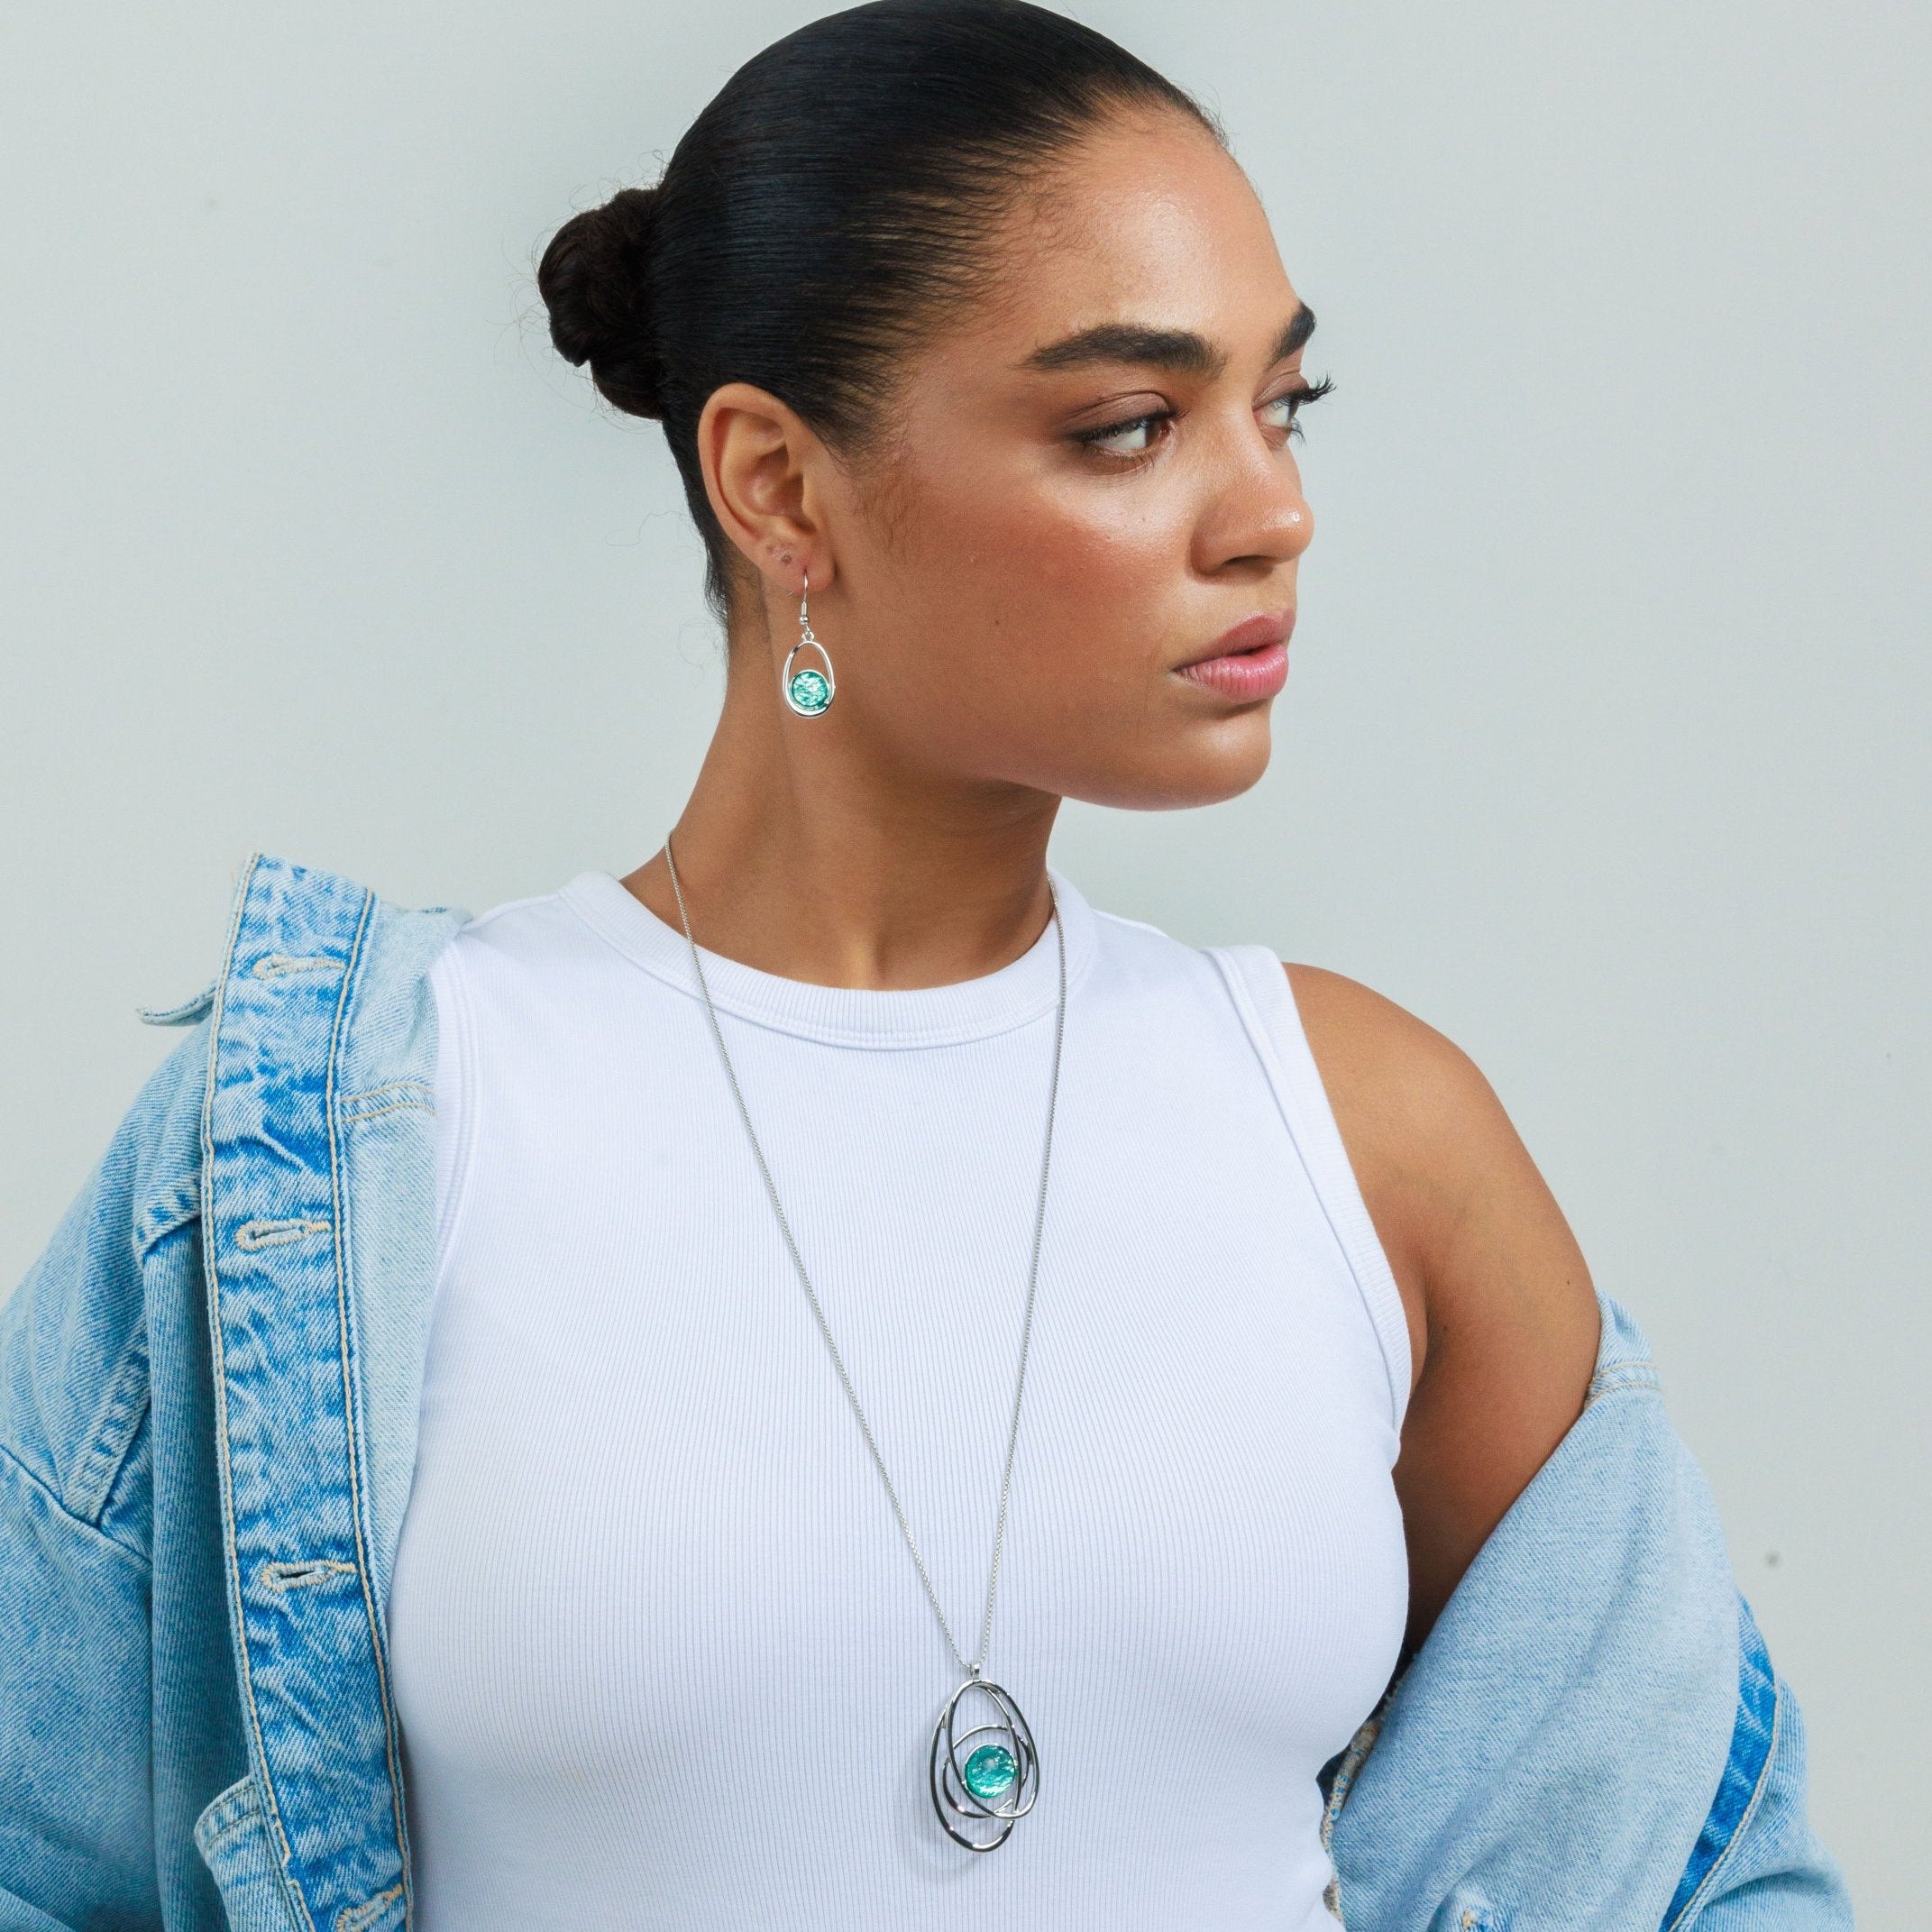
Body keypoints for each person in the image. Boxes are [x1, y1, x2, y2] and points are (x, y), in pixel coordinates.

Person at [0, 2, 1850, 1927]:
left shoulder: (1370, 1135)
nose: (1272, 514)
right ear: (780, 489)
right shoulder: (339, 1156)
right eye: (1130, 427)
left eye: (1282, 405)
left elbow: (1689, 1874)